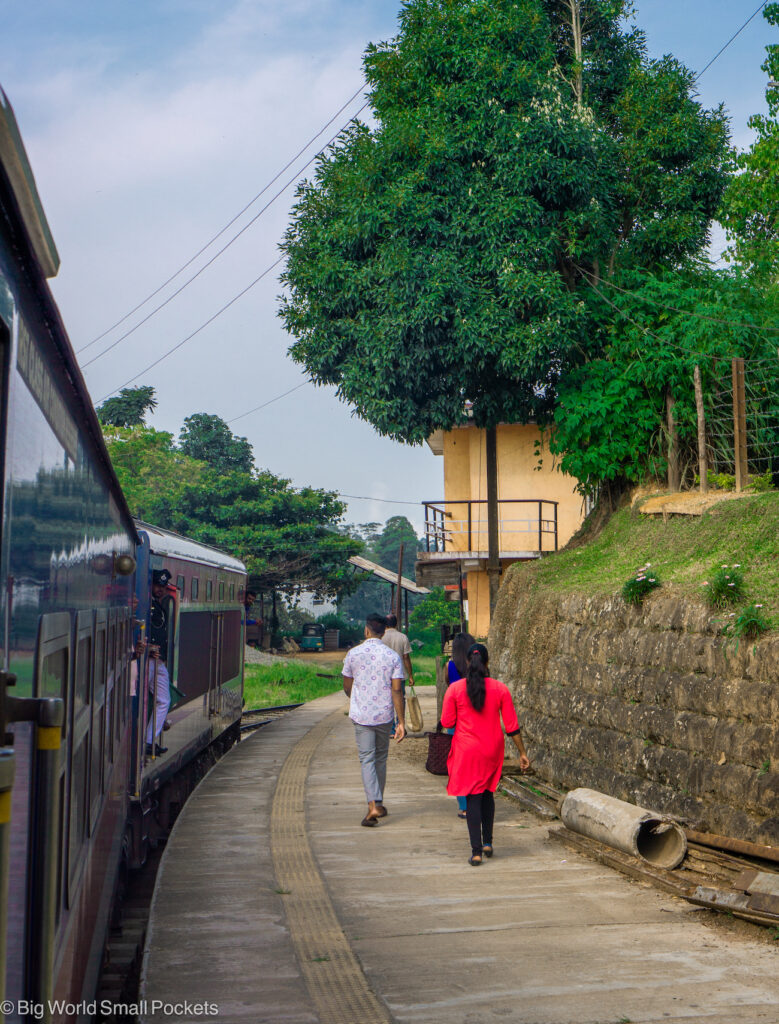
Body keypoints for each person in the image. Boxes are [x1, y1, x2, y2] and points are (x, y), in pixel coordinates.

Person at [441, 642, 530, 865]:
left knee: (472, 796)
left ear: (467, 662)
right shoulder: (500, 689)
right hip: (492, 749)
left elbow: (447, 721)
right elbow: (512, 726)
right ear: (488, 662)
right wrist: (522, 753)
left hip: (467, 750)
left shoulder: (455, 690)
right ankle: (488, 841)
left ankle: (476, 851)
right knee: (488, 792)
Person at [342, 613, 406, 827]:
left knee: (367, 759)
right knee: (380, 759)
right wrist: (401, 722)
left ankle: (373, 805)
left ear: (366, 630)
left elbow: (347, 686)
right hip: (384, 715)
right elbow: (397, 691)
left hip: (362, 716)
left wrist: (358, 699)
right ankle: (378, 800)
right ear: (384, 632)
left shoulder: (353, 654)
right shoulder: (392, 656)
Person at [446, 631, 475, 818]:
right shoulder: (479, 666)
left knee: (458, 764)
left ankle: (464, 806)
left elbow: (449, 689)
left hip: (457, 721)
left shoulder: (450, 666)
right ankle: (477, 801)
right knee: (476, 765)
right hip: (476, 720)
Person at [145, 569, 174, 756]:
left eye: (163, 587)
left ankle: (149, 740)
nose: (160, 590)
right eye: (158, 586)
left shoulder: (156, 605)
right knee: (160, 700)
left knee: (163, 700)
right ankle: (147, 741)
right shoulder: (147, 606)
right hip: (149, 660)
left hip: (157, 661)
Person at [382, 612, 413, 735]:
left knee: (387, 700)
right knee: (400, 699)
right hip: (400, 675)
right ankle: (400, 725)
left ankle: (390, 728)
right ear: (397, 624)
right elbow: (406, 658)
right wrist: (410, 675)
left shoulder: (381, 637)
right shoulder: (402, 637)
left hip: (385, 675)